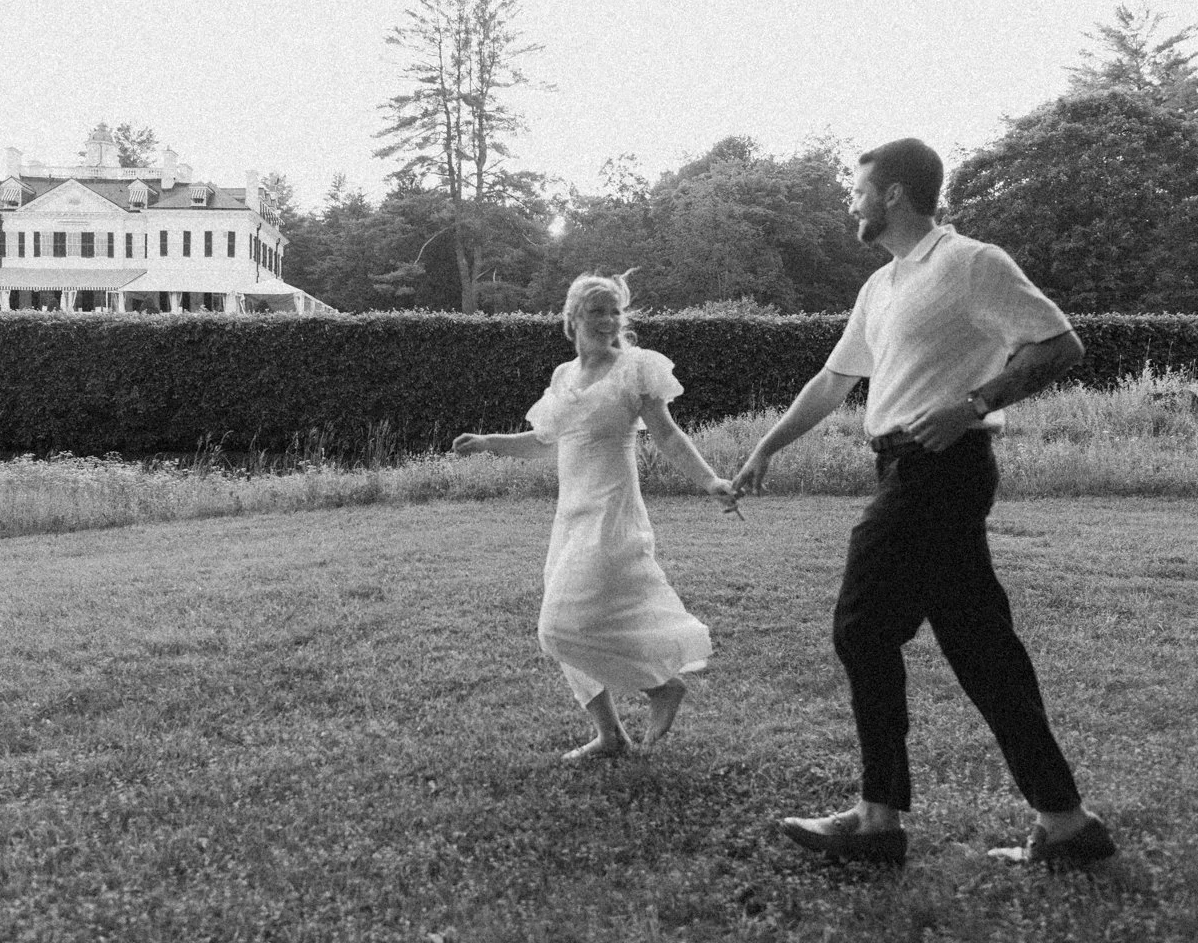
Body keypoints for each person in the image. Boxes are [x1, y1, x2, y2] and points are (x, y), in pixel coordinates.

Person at [733, 138, 1116, 867]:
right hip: (903, 471)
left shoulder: (970, 262)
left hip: (940, 470)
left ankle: (878, 820)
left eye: (858, 188)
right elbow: (832, 379)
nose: (851, 200)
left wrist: (974, 405)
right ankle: (1068, 825)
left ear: (896, 195)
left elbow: (1060, 345)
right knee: (983, 650)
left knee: (861, 625)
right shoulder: (881, 288)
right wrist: (766, 448)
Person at [454, 270, 740, 761]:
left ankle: (660, 688)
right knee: (571, 621)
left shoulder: (637, 369)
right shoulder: (564, 377)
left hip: (613, 513)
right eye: (597, 311)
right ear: (572, 317)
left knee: (560, 626)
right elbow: (547, 441)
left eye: (615, 311)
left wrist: (709, 480)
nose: (608, 321)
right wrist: (488, 442)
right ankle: (611, 736)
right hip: (570, 517)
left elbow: (668, 436)